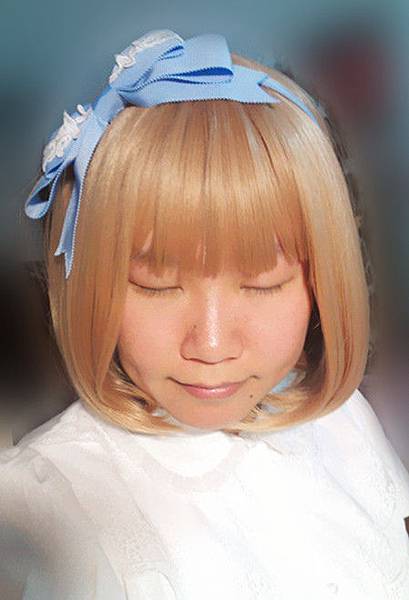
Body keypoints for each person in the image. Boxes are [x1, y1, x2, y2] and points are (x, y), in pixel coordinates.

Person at [1, 28, 408, 599]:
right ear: (90, 284)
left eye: (263, 284)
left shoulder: (343, 428)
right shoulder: (40, 511)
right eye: (157, 285)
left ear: (321, 281)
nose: (211, 345)